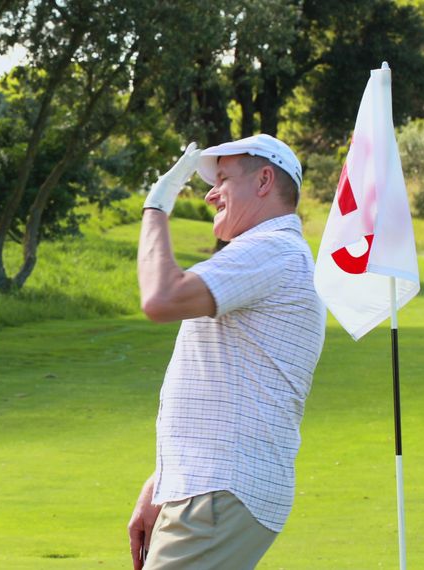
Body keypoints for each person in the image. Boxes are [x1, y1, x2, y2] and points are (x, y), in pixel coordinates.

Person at [128, 134, 327, 569]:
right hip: (208, 488)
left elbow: (161, 297)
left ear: (264, 181)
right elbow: (218, 389)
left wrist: (157, 206)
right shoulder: (268, 253)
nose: (209, 193)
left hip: (219, 491)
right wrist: (162, 483)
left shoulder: (273, 249)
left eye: (222, 179)